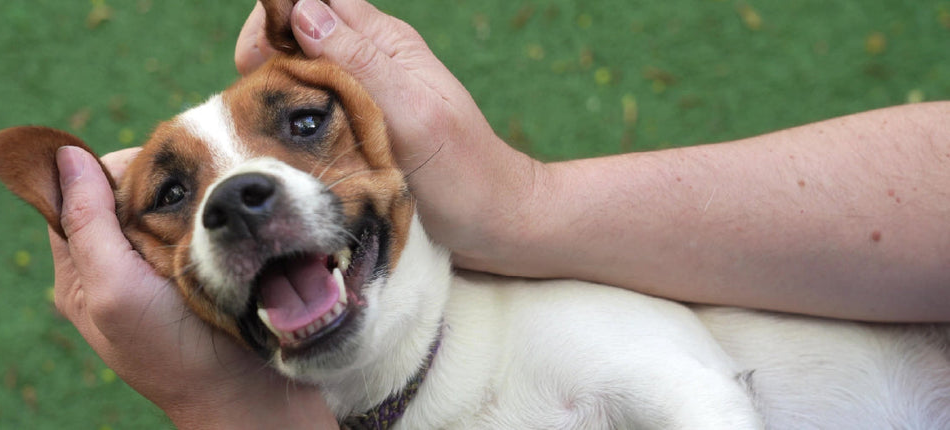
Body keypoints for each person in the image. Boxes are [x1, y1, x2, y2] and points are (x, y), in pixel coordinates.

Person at [46, 0, 950, 427]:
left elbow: (696, 401)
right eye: (176, 195)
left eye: (306, 124)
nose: (235, 200)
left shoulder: (520, 319)